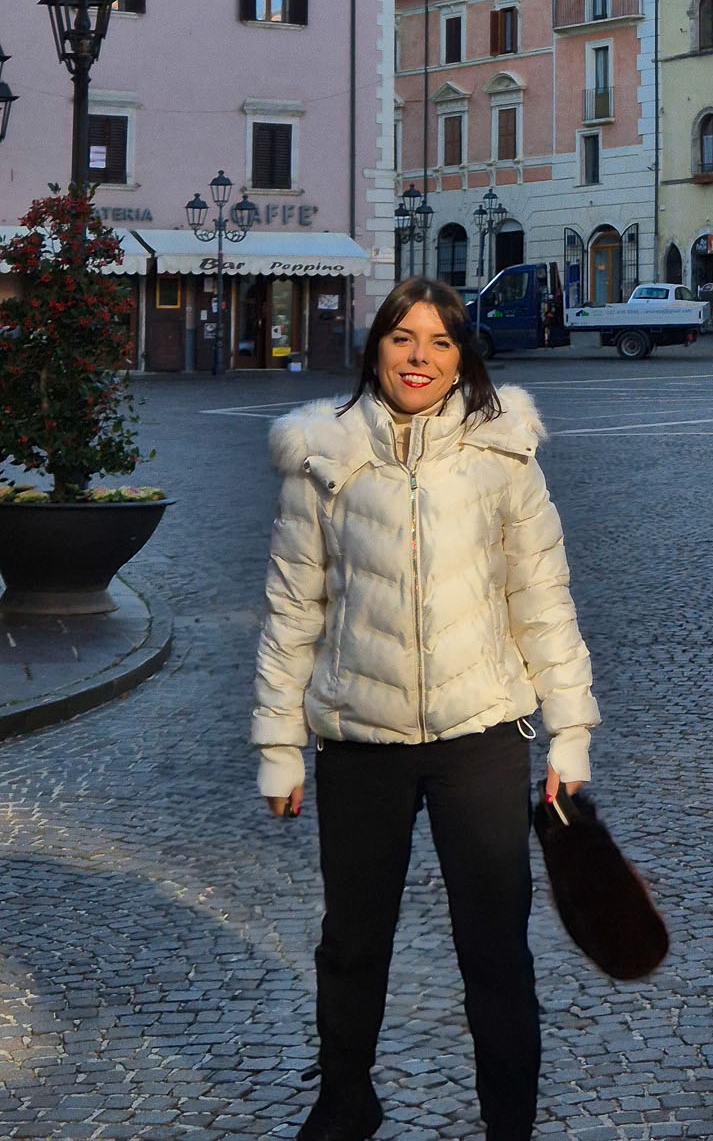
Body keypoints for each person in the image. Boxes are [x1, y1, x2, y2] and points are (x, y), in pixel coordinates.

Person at [251, 277, 599, 1141]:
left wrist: (572, 733)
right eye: (403, 338)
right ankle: (345, 1102)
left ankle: (509, 1125)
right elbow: (293, 610)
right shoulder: (323, 456)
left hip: (480, 735)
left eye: (440, 341)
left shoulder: (503, 454)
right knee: (352, 940)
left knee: (495, 948)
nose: (420, 357)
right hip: (359, 736)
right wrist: (279, 746)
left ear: (461, 357)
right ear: (375, 348)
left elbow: (542, 599)